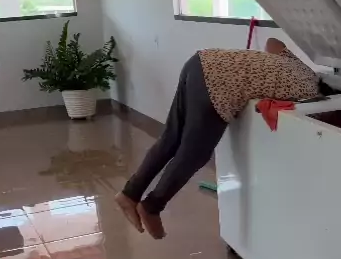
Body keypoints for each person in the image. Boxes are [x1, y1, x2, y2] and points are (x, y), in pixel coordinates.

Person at [116, 38, 322, 240]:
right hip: (219, 84)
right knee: (194, 154)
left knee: (172, 138)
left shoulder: (301, 68)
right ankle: (152, 207)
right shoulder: (310, 93)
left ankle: (130, 193)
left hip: (201, 61)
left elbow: (272, 42)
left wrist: (266, 67)